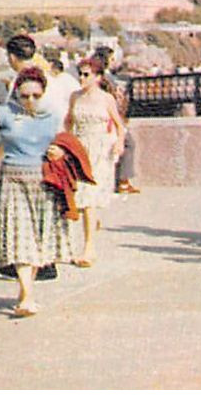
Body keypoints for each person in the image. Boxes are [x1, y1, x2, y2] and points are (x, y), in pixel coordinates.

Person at [0, 67, 69, 317]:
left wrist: (60, 152)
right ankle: (27, 297)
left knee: (37, 241)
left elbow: (65, 143)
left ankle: (25, 292)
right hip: (13, 180)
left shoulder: (53, 116)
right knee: (20, 237)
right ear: (16, 94)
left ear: (43, 93)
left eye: (35, 95)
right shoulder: (3, 114)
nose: (30, 101)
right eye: (24, 96)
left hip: (43, 182)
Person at [66, 55, 125, 266]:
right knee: (80, 199)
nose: (82, 78)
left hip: (100, 149)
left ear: (98, 77)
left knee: (89, 199)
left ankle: (89, 249)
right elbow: (68, 122)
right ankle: (92, 224)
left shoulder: (106, 99)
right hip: (81, 147)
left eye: (86, 75)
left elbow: (119, 124)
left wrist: (119, 143)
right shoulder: (74, 97)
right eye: (79, 74)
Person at [95, 46, 140, 194]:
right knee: (128, 143)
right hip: (110, 118)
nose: (115, 62)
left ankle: (121, 180)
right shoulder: (106, 78)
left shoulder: (98, 75)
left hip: (106, 118)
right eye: (113, 58)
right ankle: (123, 181)